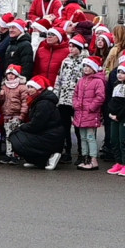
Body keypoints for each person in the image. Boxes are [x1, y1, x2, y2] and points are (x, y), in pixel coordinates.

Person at [7, 75, 65, 169]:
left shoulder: (44, 103)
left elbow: (36, 125)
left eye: (32, 87)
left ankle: (52, 155)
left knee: (16, 137)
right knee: (17, 135)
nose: (29, 90)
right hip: (47, 133)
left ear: (39, 89)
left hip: (51, 136)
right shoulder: (38, 100)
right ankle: (36, 161)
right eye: (28, 87)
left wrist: (21, 126)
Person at [53, 34, 86, 164]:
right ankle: (67, 151)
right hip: (64, 99)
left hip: (77, 100)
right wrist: (56, 95)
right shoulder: (65, 61)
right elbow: (59, 78)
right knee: (64, 127)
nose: (70, 49)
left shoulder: (85, 62)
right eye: (70, 46)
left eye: (73, 47)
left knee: (78, 127)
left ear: (80, 48)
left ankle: (82, 153)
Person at [73, 55, 107, 170]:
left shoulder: (98, 81)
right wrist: (76, 104)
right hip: (80, 113)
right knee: (83, 137)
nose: (86, 68)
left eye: (89, 66)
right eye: (84, 66)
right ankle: (85, 158)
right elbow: (75, 94)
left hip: (90, 113)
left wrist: (91, 107)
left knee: (90, 137)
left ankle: (93, 159)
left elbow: (100, 97)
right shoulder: (81, 81)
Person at [0, 64, 28, 165]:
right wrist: (1, 96)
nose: (10, 76)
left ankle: (16, 154)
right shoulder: (4, 86)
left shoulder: (22, 87)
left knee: (15, 135)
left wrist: (22, 114)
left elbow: (25, 102)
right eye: (8, 74)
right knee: (8, 135)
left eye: (12, 74)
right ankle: (8, 154)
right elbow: (1, 102)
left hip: (17, 115)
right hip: (7, 114)